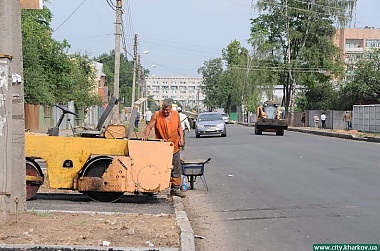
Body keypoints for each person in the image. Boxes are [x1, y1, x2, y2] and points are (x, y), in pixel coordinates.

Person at [143, 99, 185, 197]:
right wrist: (146, 136)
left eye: (167, 110)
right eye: (164, 110)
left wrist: (181, 138)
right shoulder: (156, 115)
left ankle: (175, 188)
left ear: (171, 108)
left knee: (176, 167)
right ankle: (153, 188)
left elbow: (179, 127)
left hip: (174, 145)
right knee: (159, 167)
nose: (165, 112)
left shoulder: (176, 114)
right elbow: (149, 127)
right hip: (162, 147)